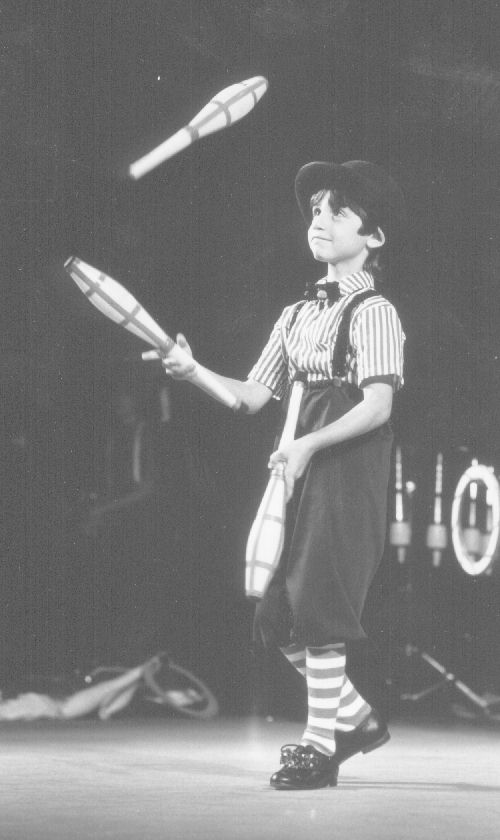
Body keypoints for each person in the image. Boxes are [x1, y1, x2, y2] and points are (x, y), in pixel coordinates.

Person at [161, 159, 406, 789]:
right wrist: (194, 371)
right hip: (297, 467)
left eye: (338, 211)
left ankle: (320, 744)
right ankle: (356, 720)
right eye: (316, 209)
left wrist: (308, 445)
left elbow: (378, 405)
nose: (319, 219)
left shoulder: (375, 311)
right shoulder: (296, 313)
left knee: (317, 602)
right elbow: (250, 396)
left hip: (346, 471)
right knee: (276, 611)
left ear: (374, 235)